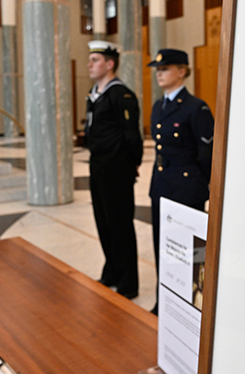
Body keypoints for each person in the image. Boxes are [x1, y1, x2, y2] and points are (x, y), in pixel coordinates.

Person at [147, 48, 215, 314]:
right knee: (161, 244)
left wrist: (207, 188)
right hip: (161, 186)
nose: (159, 74)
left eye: (165, 69)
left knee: (191, 250)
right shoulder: (157, 106)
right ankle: (163, 298)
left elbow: (207, 155)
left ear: (182, 71)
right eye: (158, 70)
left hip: (188, 189)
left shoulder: (195, 108)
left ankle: (193, 299)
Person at [84, 40, 144, 299]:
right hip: (97, 167)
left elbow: (132, 136)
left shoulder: (121, 95)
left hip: (117, 168)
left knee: (120, 225)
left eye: (95, 60)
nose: (89, 64)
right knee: (103, 223)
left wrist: (133, 164)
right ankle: (112, 272)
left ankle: (128, 282)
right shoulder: (94, 93)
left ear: (110, 64)